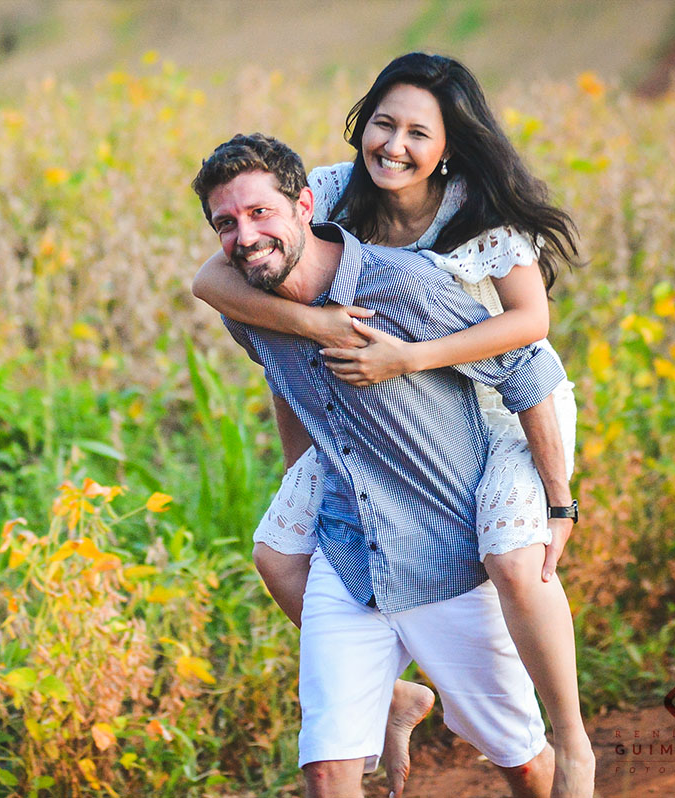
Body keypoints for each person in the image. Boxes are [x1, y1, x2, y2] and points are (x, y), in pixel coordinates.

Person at [192, 53, 592, 798]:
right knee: (278, 554)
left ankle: (572, 738)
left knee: (513, 560)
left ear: (449, 147)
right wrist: (313, 324)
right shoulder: (330, 192)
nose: (394, 145)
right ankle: (391, 695)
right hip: (372, 407)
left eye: (417, 132)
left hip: (499, 394)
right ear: (361, 125)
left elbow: (529, 332)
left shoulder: (476, 214)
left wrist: (411, 359)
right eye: (383, 123)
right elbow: (230, 305)